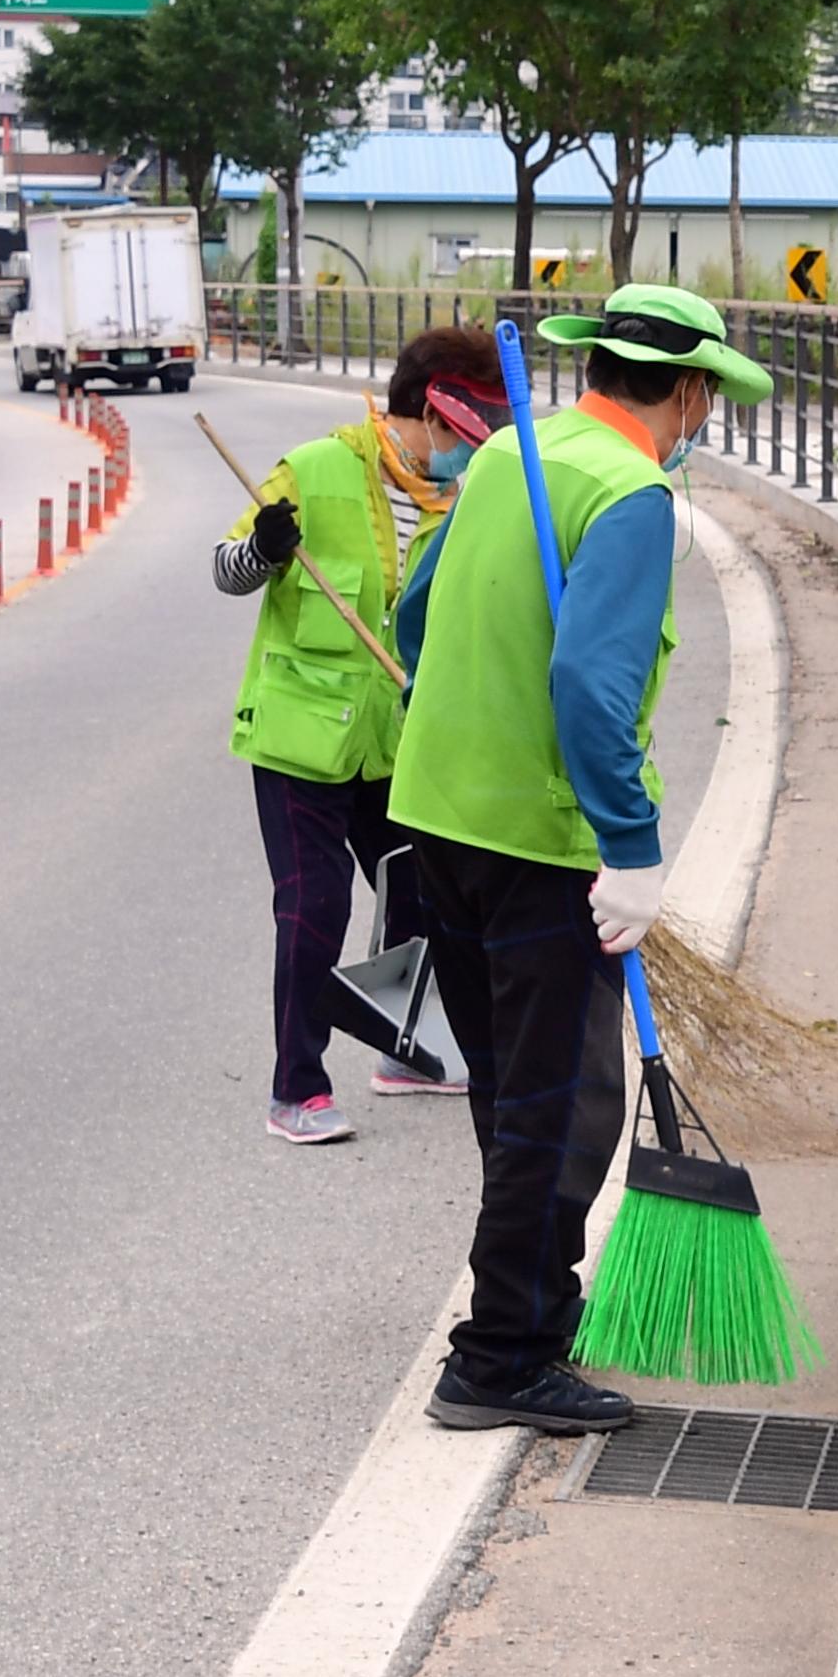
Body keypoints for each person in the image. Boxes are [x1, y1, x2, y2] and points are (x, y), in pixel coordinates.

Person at [389, 284, 774, 1435]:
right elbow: (592, 689)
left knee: (515, 1097)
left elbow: (415, 617)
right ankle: (499, 1356)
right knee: (563, 1112)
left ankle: (532, 1311)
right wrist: (633, 848)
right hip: (539, 841)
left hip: (441, 814)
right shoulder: (635, 495)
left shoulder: (510, 453)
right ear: (694, 389)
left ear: (598, 366)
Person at [218, 324, 506, 1144]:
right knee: (314, 906)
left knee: (425, 898)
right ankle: (295, 1089)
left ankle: (408, 1053)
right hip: (299, 743)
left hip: (394, 741)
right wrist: (263, 552)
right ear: (424, 414)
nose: (465, 450)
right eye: (458, 434)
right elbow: (225, 570)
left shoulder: (462, 499)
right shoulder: (313, 470)